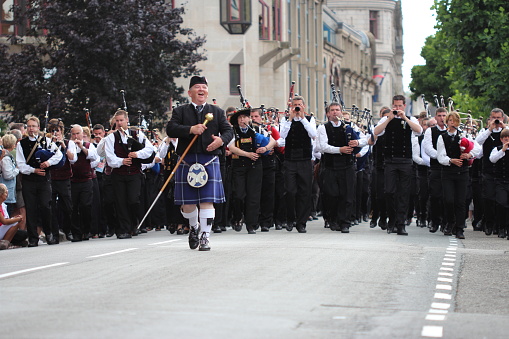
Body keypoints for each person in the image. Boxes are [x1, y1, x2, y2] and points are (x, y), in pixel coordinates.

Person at [166, 75, 233, 251]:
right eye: (197, 87)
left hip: (209, 160)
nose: (201, 90)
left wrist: (221, 141)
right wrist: (190, 129)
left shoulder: (217, 112)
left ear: (207, 91)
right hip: (187, 160)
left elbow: (228, 131)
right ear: (190, 92)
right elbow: (170, 129)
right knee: (188, 204)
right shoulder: (180, 111)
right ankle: (194, 226)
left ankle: (205, 237)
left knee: (206, 201)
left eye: (204, 87)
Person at [374, 95, 422, 235]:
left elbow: (419, 130)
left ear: (404, 106)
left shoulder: (410, 119)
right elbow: (376, 132)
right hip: (390, 161)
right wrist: (389, 118)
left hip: (405, 161)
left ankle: (401, 224)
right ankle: (392, 220)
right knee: (389, 192)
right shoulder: (386, 118)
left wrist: (404, 118)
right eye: (395, 106)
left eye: (400, 106)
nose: (397, 108)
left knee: (403, 193)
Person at [105, 110, 154, 239]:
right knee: (120, 202)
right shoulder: (111, 137)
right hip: (119, 174)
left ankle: (134, 223)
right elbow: (109, 157)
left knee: (133, 200)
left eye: (121, 120)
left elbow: (149, 150)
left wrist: (137, 154)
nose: (119, 123)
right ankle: (124, 229)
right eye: (117, 121)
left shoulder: (137, 134)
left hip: (134, 173)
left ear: (127, 121)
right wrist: (121, 161)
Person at [16, 116, 63, 246]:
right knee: (30, 208)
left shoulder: (46, 141)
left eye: (33, 126)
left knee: (45, 206)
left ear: (38, 127)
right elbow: (20, 164)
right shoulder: (21, 144)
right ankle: (33, 238)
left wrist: (48, 162)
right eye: (29, 126)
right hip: (29, 180)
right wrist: (33, 170)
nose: (31, 129)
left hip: (44, 180)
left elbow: (58, 155)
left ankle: (49, 234)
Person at [317, 102, 360, 233]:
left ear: (341, 112)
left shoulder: (349, 127)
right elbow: (323, 147)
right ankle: (333, 220)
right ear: (328, 113)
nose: (335, 112)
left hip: (347, 166)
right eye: (332, 110)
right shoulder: (323, 128)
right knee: (332, 194)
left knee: (347, 195)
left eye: (337, 110)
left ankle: (345, 222)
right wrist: (340, 150)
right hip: (330, 166)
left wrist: (355, 143)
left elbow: (359, 142)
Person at [437, 111, 480, 238]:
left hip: (462, 172)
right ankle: (450, 222)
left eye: (455, 121)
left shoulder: (464, 135)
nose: (452, 123)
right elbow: (440, 156)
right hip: (448, 172)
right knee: (449, 199)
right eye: (450, 121)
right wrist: (451, 160)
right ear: (447, 122)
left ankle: (460, 228)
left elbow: (477, 148)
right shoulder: (442, 137)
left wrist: (469, 155)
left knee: (461, 201)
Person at [279, 96, 317, 233]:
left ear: (304, 106)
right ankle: (290, 218)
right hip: (290, 160)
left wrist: (302, 118)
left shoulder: (310, 120)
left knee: (305, 192)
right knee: (290, 191)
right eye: (294, 105)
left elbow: (313, 134)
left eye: (299, 105)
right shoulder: (285, 120)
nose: (296, 107)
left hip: (305, 160)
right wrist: (290, 118)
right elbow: (282, 136)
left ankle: (302, 222)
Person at [475, 108, 506, 235]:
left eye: (498, 117)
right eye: (493, 117)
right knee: (488, 198)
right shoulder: (485, 131)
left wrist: (504, 127)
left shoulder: (506, 131)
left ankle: (500, 225)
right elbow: (478, 141)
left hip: (503, 171)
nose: (496, 120)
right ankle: (489, 222)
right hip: (488, 170)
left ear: (503, 118)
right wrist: (490, 129)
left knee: (501, 201)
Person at [69, 125, 100, 241]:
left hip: (86, 180)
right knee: (73, 207)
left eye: (78, 134)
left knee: (86, 206)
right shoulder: (69, 146)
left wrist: (82, 147)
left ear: (82, 134)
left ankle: (86, 230)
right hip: (73, 180)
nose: (76, 136)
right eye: (73, 134)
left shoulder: (88, 145)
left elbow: (94, 157)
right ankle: (76, 232)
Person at [250, 108, 279, 232]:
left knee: (268, 193)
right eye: (251, 116)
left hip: (268, 163)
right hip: (253, 164)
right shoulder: (248, 131)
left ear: (261, 118)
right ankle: (254, 221)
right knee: (254, 194)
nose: (253, 119)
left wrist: (267, 147)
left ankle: (266, 221)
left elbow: (276, 141)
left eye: (256, 116)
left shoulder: (267, 129)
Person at [47, 118, 76, 241]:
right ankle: (54, 233)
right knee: (51, 207)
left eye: (57, 130)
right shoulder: (47, 143)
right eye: (53, 130)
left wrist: (63, 145)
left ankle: (68, 229)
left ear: (62, 131)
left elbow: (73, 159)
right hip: (51, 178)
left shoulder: (69, 143)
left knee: (67, 206)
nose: (55, 133)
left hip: (64, 179)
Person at [423, 108, 448, 233]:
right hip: (436, 167)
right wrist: (441, 157)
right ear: (435, 117)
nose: (442, 118)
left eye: (444, 115)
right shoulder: (430, 131)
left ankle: (446, 221)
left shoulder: (452, 131)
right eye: (439, 115)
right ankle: (435, 220)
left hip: (449, 168)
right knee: (435, 195)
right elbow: (428, 148)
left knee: (447, 196)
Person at [489, 128, 509, 239]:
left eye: (508, 138)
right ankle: (501, 228)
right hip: (501, 181)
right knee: (501, 203)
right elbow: (492, 159)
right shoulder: (497, 149)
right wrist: (503, 150)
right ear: (501, 139)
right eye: (504, 138)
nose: (506, 139)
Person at [0, 134, 20, 217]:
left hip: (9, 191)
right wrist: (17, 168)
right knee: (7, 213)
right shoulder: (6, 158)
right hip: (7, 191)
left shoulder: (8, 156)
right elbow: (8, 175)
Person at [0, 183, 24, 250]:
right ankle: (4, 243)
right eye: (5, 193)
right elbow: (4, 221)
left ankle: (7, 242)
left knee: (23, 233)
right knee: (15, 223)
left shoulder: (3, 205)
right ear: (1, 194)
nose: (7, 195)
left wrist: (14, 218)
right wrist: (17, 219)